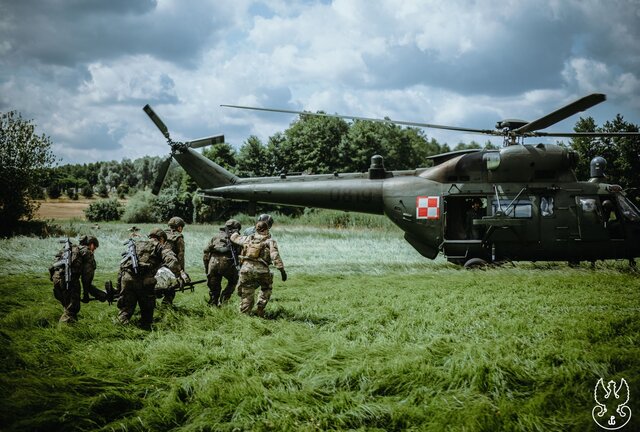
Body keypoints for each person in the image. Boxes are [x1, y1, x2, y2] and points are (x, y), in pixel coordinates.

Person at [117, 228, 179, 329]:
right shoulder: (159, 246)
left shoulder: (135, 245)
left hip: (127, 279)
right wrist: (180, 273)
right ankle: (145, 332)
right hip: (145, 282)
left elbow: (122, 266)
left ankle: (119, 333)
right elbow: (172, 260)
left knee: (125, 310)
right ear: (162, 238)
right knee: (147, 313)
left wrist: (118, 287)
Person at [231, 220, 287, 317]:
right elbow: (275, 256)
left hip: (246, 270)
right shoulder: (270, 242)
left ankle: (245, 314)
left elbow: (234, 238)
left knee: (247, 291)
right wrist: (282, 271)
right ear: (266, 229)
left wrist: (235, 230)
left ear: (256, 229)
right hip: (262, 271)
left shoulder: (248, 239)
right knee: (266, 288)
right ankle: (260, 309)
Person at [49, 236, 106, 323]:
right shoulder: (87, 252)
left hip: (56, 279)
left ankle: (70, 328)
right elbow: (86, 278)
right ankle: (66, 331)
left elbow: (53, 266)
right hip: (70, 281)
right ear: (91, 244)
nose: (94, 250)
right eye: (94, 247)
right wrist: (86, 294)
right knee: (72, 309)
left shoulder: (69, 249)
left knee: (68, 307)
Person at [203, 219, 243, 306]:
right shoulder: (236, 238)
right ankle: (224, 300)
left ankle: (213, 302)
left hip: (213, 263)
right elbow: (240, 253)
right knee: (233, 281)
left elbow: (206, 252)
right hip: (227, 263)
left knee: (214, 285)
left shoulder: (215, 236)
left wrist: (207, 269)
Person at [161, 216, 189, 305]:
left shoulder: (161, 234)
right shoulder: (178, 237)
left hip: (158, 264)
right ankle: (167, 303)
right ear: (179, 227)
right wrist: (182, 272)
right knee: (173, 284)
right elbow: (180, 256)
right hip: (171, 263)